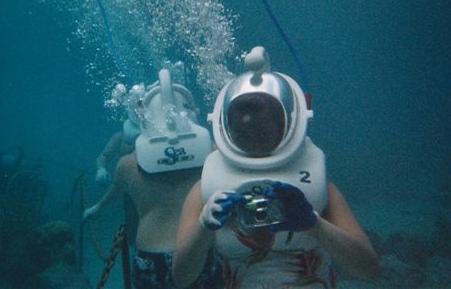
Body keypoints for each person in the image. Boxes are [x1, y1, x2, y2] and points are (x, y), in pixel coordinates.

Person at [172, 47, 380, 288]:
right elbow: (181, 277)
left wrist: (315, 224)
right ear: (226, 130)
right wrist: (204, 227)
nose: (253, 142)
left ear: (287, 125)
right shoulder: (205, 190)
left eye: (262, 133)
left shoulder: (317, 184)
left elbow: (369, 269)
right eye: (242, 134)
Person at [84, 68, 221, 288]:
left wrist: (97, 208)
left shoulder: (127, 165)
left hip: (149, 255)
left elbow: (114, 191)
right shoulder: (212, 152)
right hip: (198, 251)